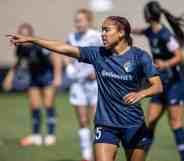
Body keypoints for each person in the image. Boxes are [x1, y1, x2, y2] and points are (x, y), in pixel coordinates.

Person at [6, 16, 162, 161]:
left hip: (133, 124)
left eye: (107, 30)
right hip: (106, 124)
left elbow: (157, 86)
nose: (102, 34)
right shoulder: (98, 54)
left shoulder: (140, 57)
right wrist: (32, 40)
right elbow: (64, 48)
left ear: (121, 33)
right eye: (102, 30)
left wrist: (141, 93)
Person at [132, 1, 184, 160]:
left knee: (175, 123)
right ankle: (141, 157)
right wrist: (123, 29)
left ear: (148, 15)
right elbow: (139, 31)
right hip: (160, 85)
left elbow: (179, 56)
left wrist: (165, 64)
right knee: (150, 122)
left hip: (175, 84)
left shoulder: (165, 34)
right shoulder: (150, 31)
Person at [3, 23, 62, 146]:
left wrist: (57, 77)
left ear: (30, 35)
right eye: (20, 34)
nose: (21, 37)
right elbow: (18, 62)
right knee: (34, 106)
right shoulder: (20, 48)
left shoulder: (39, 45)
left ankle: (51, 135)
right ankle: (36, 135)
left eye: (24, 34)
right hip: (34, 77)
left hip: (47, 76)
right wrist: (9, 77)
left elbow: (55, 57)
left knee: (48, 104)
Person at [65, 8, 102, 161]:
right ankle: (86, 156)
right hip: (78, 83)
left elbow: (108, 54)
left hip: (94, 85)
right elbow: (65, 53)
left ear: (89, 21)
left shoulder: (97, 36)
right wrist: (68, 66)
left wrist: (98, 70)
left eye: (81, 20)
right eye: (76, 21)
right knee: (82, 120)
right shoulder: (72, 37)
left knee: (96, 122)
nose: (78, 24)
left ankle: (97, 154)